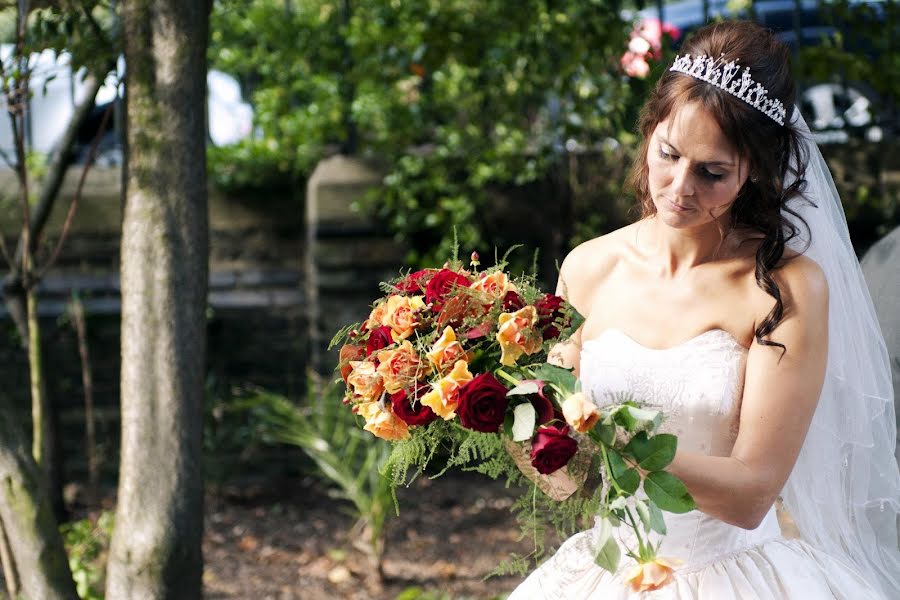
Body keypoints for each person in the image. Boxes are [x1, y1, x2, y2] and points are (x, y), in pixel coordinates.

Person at [508, 20, 900, 599]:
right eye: (668, 154)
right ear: (650, 131)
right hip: (606, 570)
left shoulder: (785, 288)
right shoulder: (589, 267)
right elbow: (568, 484)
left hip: (732, 574)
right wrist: (507, 412)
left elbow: (750, 495)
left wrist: (609, 437)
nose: (679, 187)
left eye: (712, 173)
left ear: (756, 171)